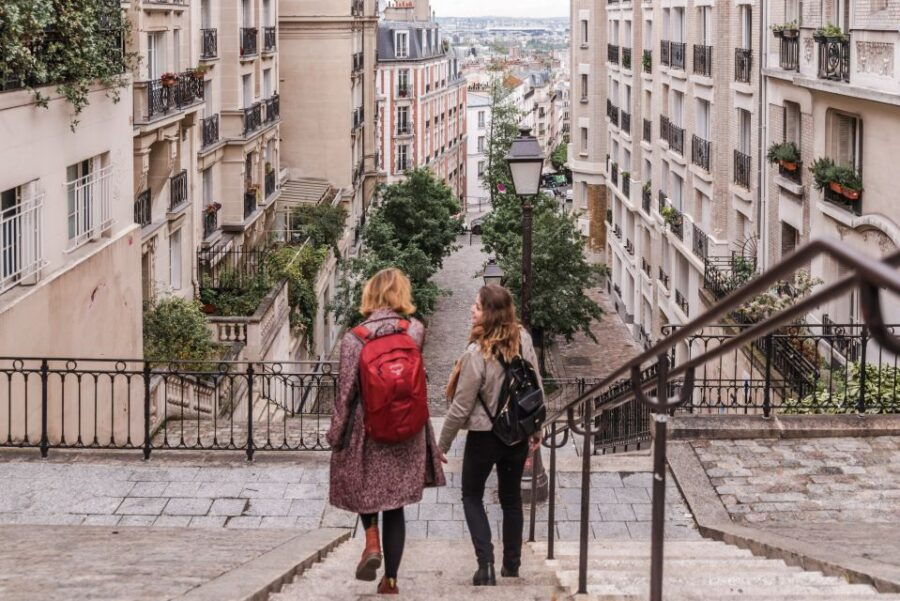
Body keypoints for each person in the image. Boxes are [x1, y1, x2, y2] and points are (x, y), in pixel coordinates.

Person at [327, 268, 446, 595]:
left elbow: (346, 393)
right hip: (408, 430)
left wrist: (336, 435)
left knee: (366, 488)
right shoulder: (416, 330)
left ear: (370, 295)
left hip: (369, 428)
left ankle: (371, 539)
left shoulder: (355, 338)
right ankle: (390, 581)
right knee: (396, 504)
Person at [437, 284, 543, 586]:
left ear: (491, 313)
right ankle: (512, 567)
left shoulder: (476, 353)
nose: (472, 310)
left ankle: (485, 566)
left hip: (484, 436)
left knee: (471, 495)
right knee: (511, 500)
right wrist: (536, 428)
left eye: (477, 306)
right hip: (516, 435)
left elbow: (461, 406)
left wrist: (440, 444)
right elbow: (535, 387)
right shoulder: (523, 339)